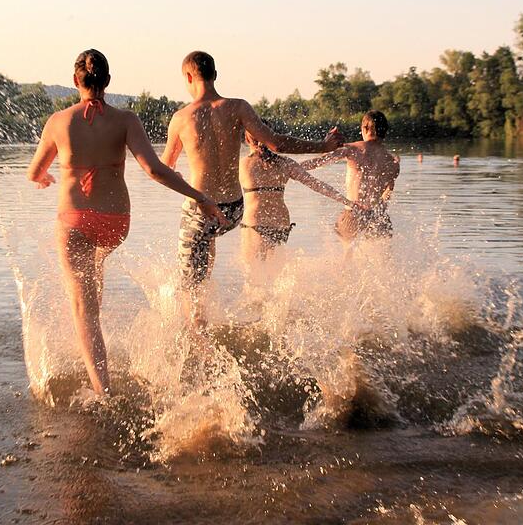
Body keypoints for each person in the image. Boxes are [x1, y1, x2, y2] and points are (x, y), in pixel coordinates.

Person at [27, 49, 225, 396]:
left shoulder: (59, 122)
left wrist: (44, 178)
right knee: (93, 266)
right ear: (108, 81)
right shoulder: (126, 120)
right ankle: (94, 302)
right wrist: (200, 197)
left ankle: (103, 392)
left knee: (83, 309)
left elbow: (34, 172)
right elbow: (154, 169)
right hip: (116, 223)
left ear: (75, 81)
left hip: (74, 220)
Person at [162, 51, 345, 314]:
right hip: (234, 210)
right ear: (215, 75)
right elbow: (277, 143)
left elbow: (165, 167)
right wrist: (323, 146)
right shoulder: (238, 107)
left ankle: (197, 329)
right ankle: (209, 301)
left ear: (188, 77)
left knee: (190, 290)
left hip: (202, 211)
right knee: (206, 251)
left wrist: (181, 181)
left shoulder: (181, 118)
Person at [239, 126, 357, 261]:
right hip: (281, 222)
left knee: (253, 270)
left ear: (247, 139)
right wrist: (348, 203)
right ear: (272, 136)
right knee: (275, 270)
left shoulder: (242, 164)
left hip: (255, 221)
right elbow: (317, 185)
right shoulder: (285, 163)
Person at [302, 110, 400, 241]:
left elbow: (318, 162)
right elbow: (388, 192)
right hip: (378, 216)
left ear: (365, 128)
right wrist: (378, 213)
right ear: (385, 131)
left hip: (354, 213)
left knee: (345, 251)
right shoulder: (393, 161)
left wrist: (290, 167)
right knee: (381, 253)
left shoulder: (353, 149)